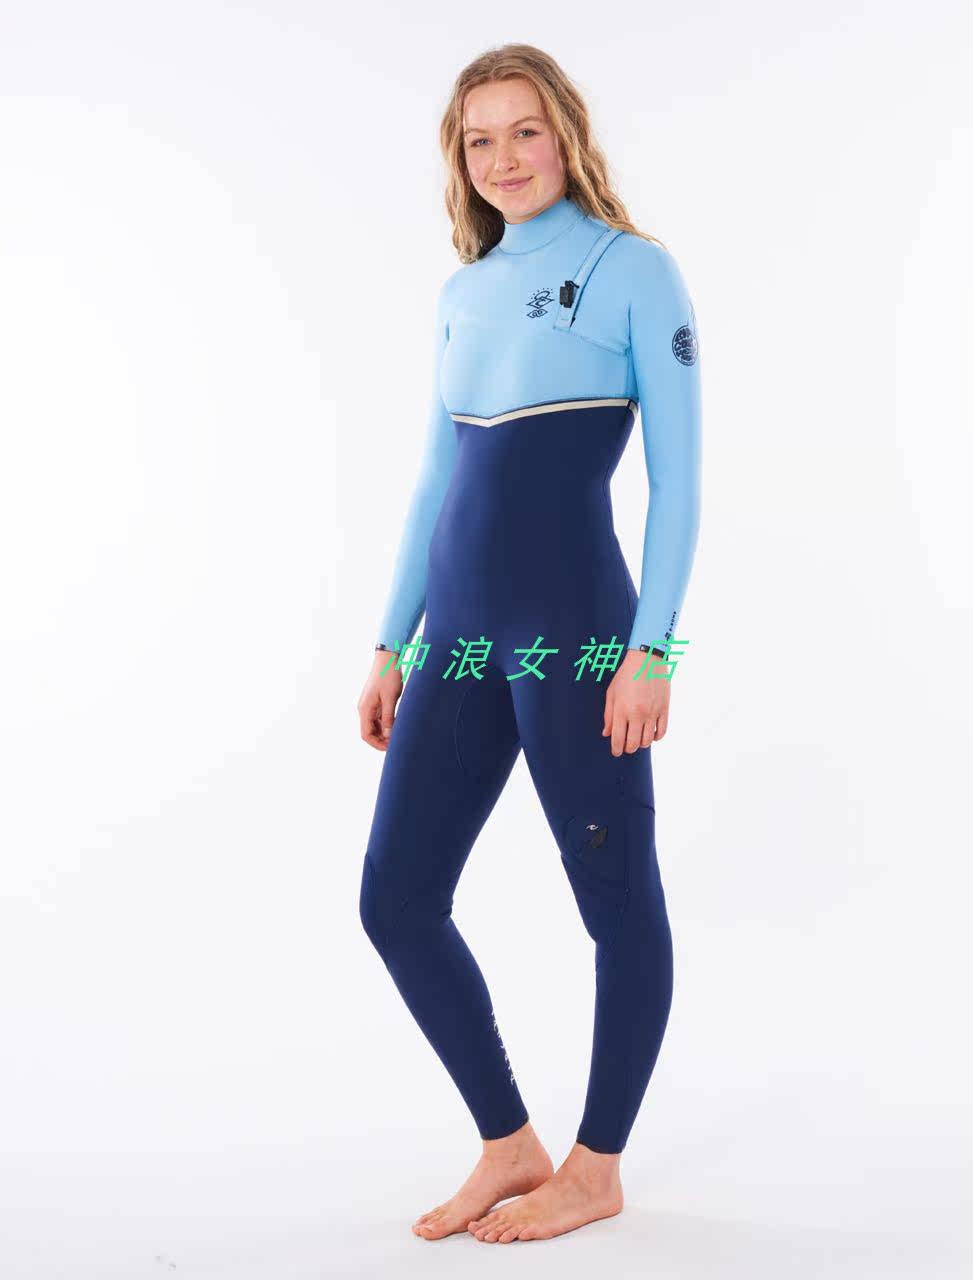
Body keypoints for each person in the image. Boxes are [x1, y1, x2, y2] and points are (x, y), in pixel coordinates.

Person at [356, 43, 702, 1244]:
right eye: (479, 139)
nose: (504, 158)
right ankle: (510, 1141)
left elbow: (679, 479)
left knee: (615, 899)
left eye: (526, 131)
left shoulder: (631, 269)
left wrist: (653, 651)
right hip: (459, 642)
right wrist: (392, 642)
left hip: (576, 639)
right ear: (459, 159)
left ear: (567, 134)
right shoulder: (465, 290)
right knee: (396, 899)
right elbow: (436, 479)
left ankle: (596, 1165)